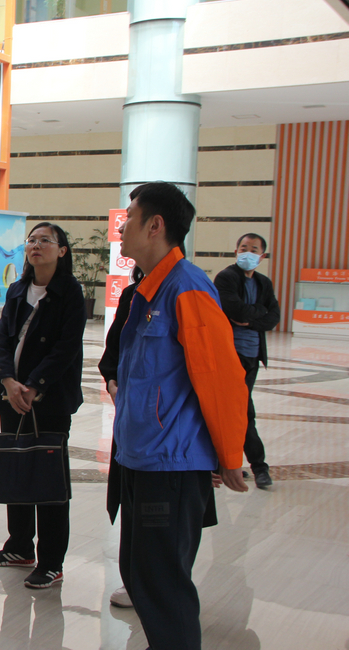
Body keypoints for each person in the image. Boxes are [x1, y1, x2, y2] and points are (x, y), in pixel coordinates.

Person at [114, 181, 249, 650]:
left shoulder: (187, 288)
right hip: (141, 458)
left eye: (129, 218)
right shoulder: (149, 290)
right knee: (140, 575)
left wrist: (229, 455)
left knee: (164, 587)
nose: (121, 227)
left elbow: (222, 379)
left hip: (169, 466)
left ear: (155, 225)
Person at [0, 222, 86, 589]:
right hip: (13, 396)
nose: (36, 245)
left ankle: (52, 561)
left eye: (45, 240)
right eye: (32, 240)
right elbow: (2, 339)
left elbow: (66, 348)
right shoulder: (17, 289)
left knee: (49, 479)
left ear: (62, 250)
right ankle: (19, 547)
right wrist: (8, 381)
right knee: (17, 470)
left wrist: (34, 386)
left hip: (50, 398)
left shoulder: (70, 292)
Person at [213, 233, 280, 489]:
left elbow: (274, 317)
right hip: (230, 355)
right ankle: (258, 467)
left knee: (239, 410)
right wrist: (258, 313)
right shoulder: (227, 277)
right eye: (243, 248)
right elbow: (234, 309)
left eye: (253, 249)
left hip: (252, 356)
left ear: (262, 256)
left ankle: (227, 464)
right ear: (236, 251)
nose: (247, 253)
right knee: (241, 410)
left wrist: (251, 320)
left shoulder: (263, 283)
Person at [97, 267, 143, 609]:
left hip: (168, 426)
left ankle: (156, 585)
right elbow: (113, 350)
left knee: (159, 510)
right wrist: (112, 380)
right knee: (131, 497)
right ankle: (135, 579)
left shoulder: (186, 290)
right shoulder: (132, 295)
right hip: (131, 416)